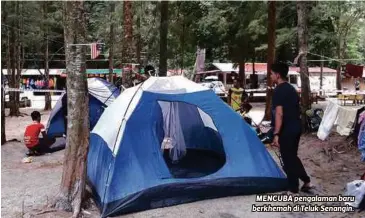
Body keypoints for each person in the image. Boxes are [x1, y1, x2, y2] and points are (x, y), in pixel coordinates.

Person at [270, 62, 313, 195]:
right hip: (296, 127)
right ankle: (306, 181)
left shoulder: (279, 90)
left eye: (271, 74)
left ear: (277, 75)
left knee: (288, 159)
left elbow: (279, 114)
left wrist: (276, 133)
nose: (270, 76)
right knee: (292, 157)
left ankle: (293, 189)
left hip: (287, 129)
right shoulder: (291, 88)